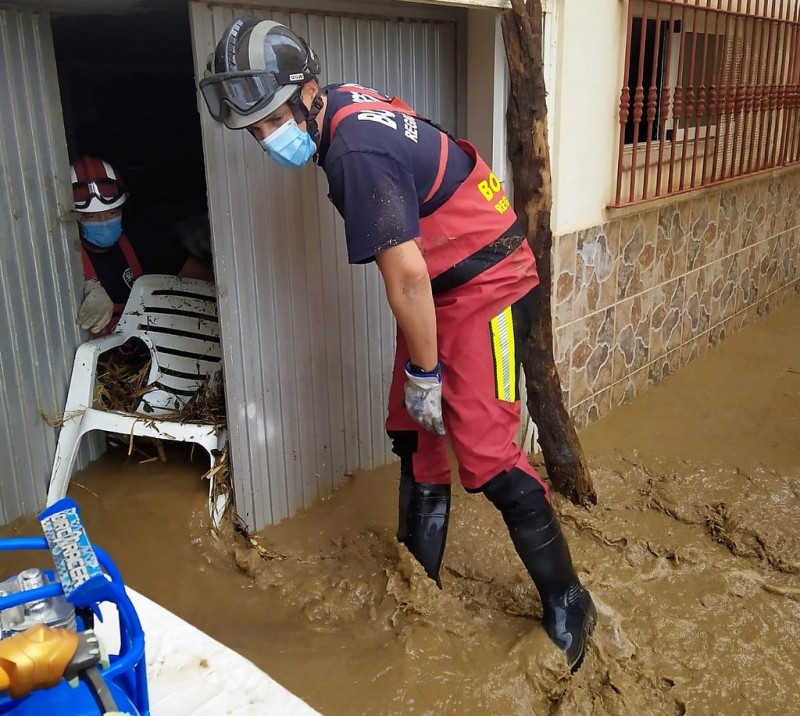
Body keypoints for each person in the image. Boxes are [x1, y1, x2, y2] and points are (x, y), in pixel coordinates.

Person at [199, 17, 596, 670]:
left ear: (307, 90)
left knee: (487, 453)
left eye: (273, 120)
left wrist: (426, 370)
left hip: (484, 282)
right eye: (257, 129)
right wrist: (422, 377)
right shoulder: (345, 108)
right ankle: (421, 579)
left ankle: (567, 601)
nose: (268, 138)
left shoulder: (353, 151)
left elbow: (405, 274)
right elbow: (414, 263)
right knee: (414, 431)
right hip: (439, 284)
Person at [71, 155, 214, 335]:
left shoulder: (142, 243)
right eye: (92, 216)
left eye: (112, 212)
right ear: (76, 219)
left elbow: (204, 279)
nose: (104, 221)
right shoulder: (66, 258)